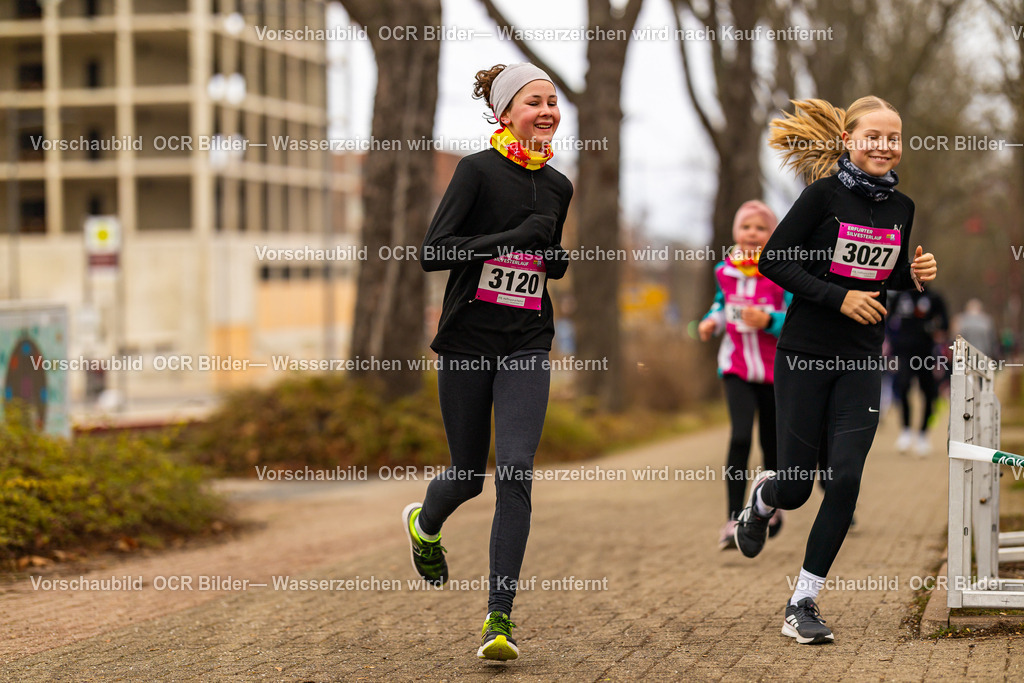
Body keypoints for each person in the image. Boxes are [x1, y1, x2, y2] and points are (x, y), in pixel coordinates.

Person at [732, 97, 938, 644]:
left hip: (861, 360)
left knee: (844, 478)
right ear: (849, 138)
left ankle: (803, 600)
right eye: (872, 136)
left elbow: (882, 275)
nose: (883, 146)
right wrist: (838, 297)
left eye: (893, 137)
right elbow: (774, 258)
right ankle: (762, 499)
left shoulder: (902, 207)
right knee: (796, 489)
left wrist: (912, 276)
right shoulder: (822, 196)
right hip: (803, 356)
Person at [402, 63, 572, 662]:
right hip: (469, 342)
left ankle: (498, 617)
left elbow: (543, 258)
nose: (548, 110)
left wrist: (551, 258)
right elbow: (434, 252)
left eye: (553, 101)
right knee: (469, 476)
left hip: (527, 339)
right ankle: (425, 524)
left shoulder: (559, 185)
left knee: (517, 468)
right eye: (534, 101)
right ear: (505, 114)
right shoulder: (475, 171)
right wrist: (510, 239)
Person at [698, 200, 792, 549]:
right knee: (739, 437)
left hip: (773, 372)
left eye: (761, 228)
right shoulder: (724, 270)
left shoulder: (782, 272)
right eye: (746, 227)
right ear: (736, 232)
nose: (752, 233)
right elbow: (721, 305)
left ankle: (770, 506)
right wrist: (711, 321)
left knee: (772, 445)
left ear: (772, 234)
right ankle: (732, 518)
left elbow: (796, 320)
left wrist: (769, 322)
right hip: (736, 367)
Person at [887, 288, 949, 455]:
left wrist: (933, 330)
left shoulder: (934, 297)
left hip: (926, 352)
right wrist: (892, 341)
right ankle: (905, 430)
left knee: (928, 393)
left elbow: (944, 323)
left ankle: (923, 434)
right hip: (904, 352)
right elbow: (888, 319)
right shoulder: (901, 296)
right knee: (903, 387)